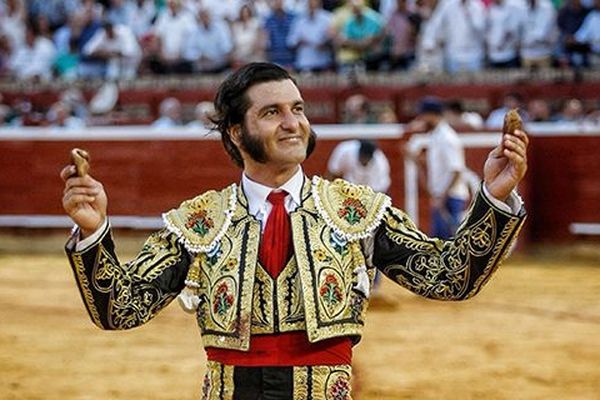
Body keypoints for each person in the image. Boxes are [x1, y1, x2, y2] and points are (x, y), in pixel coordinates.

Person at [61, 62, 528, 398]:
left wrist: (494, 198)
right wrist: (94, 231)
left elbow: (450, 277)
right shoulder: (199, 221)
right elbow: (118, 310)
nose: (293, 123)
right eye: (272, 113)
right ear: (235, 133)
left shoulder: (356, 210)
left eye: (298, 108)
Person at [409, 97, 471, 239]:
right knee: (441, 242)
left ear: (431, 115)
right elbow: (441, 164)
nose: (422, 119)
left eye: (424, 115)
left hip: (450, 197)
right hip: (443, 195)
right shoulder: (437, 135)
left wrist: (443, 196)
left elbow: (456, 170)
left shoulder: (447, 137)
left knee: (448, 242)